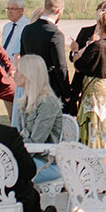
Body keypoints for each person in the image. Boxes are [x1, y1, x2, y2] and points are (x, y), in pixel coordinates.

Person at [71, 1, 106, 177]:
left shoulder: (97, 46)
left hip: (94, 91)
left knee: (91, 129)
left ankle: (92, 171)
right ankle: (105, 170)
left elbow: (78, 64)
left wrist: (78, 50)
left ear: (100, 26)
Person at [13, 53, 65, 186]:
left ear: (29, 74)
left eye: (19, 71)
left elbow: (36, 142)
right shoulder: (25, 101)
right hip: (31, 159)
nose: (15, 74)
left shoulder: (47, 103)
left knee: (6, 171)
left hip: (47, 164)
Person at [20, 0, 72, 115]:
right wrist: (67, 93)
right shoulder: (55, 34)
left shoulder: (27, 29)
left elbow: (23, 57)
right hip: (50, 87)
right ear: (59, 10)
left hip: (31, 85)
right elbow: (61, 66)